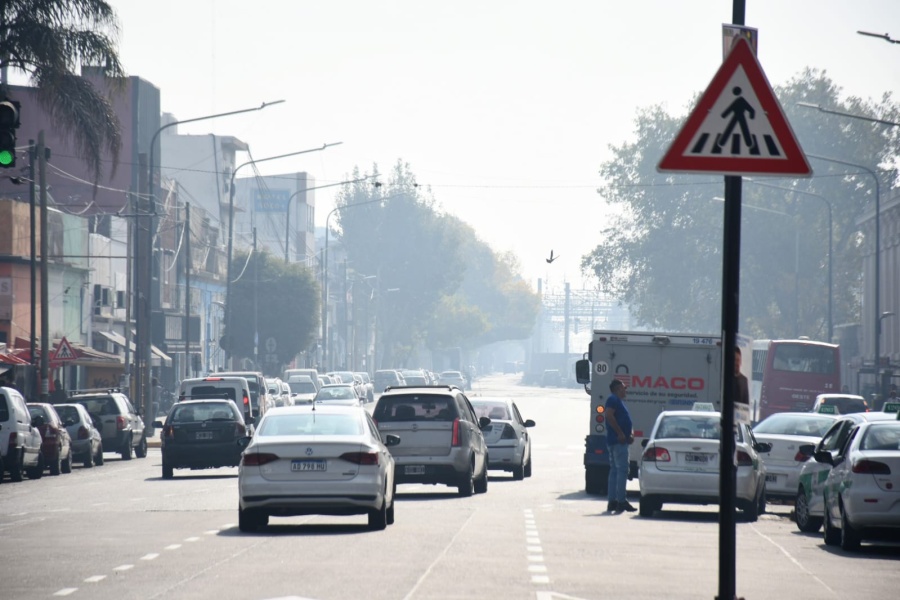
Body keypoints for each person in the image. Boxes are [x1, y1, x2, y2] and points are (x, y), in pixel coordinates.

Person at [605, 378, 635, 514]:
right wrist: (620, 433)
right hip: (618, 442)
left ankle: (613, 501)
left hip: (616, 441)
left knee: (615, 471)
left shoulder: (618, 401)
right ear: (618, 389)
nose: (625, 389)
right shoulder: (613, 399)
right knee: (622, 471)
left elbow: (625, 420)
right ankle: (621, 501)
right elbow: (609, 416)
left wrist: (630, 433)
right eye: (624, 387)